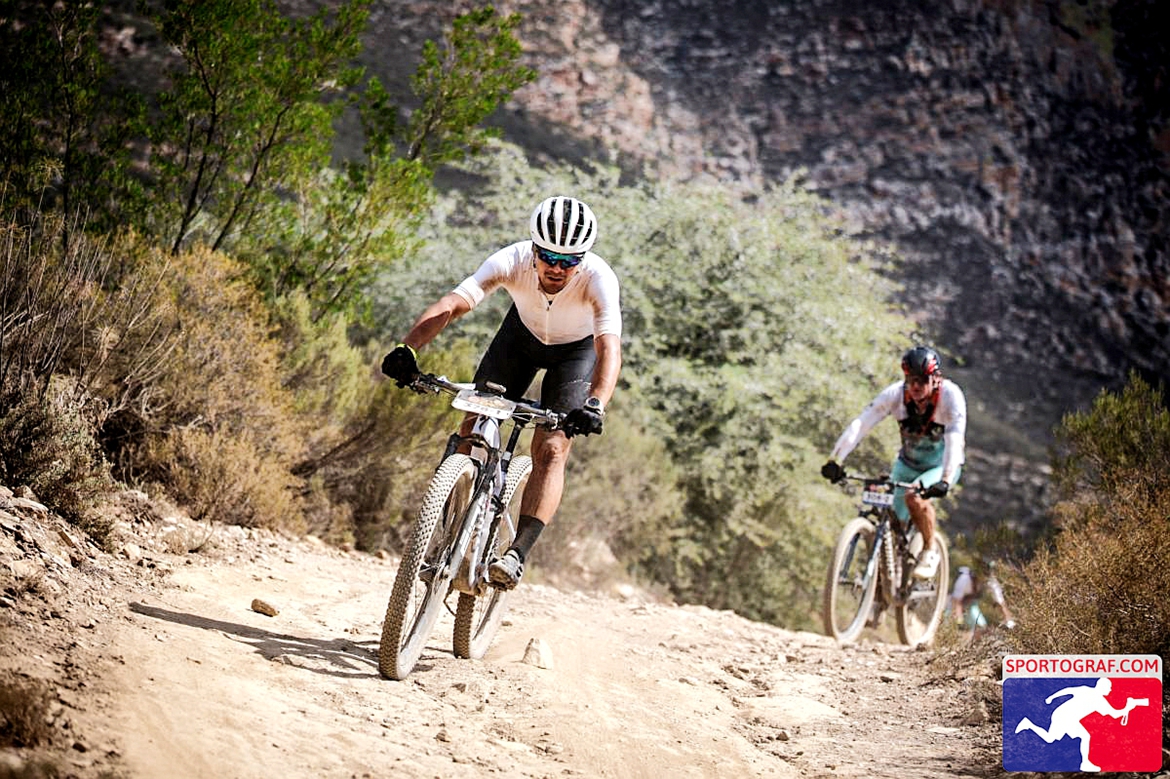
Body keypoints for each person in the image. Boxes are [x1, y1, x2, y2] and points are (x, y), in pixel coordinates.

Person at [380, 195, 622, 591]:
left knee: (553, 448)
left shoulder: (599, 278)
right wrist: (408, 348)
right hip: (519, 341)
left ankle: (516, 554)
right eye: (548, 257)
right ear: (533, 250)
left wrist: (595, 404)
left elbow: (608, 347)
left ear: (583, 259)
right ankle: (452, 521)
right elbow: (453, 304)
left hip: (575, 355)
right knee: (473, 420)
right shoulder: (511, 260)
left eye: (569, 261)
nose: (557, 268)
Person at [819, 346, 967, 579]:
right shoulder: (895, 395)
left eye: (922, 380)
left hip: (940, 466)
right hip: (907, 464)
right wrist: (835, 460)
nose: (915, 386)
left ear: (936, 379)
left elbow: (955, 441)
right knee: (890, 522)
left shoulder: (951, 397)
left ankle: (929, 550)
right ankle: (883, 583)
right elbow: (861, 424)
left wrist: (946, 479)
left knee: (914, 497)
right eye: (910, 379)